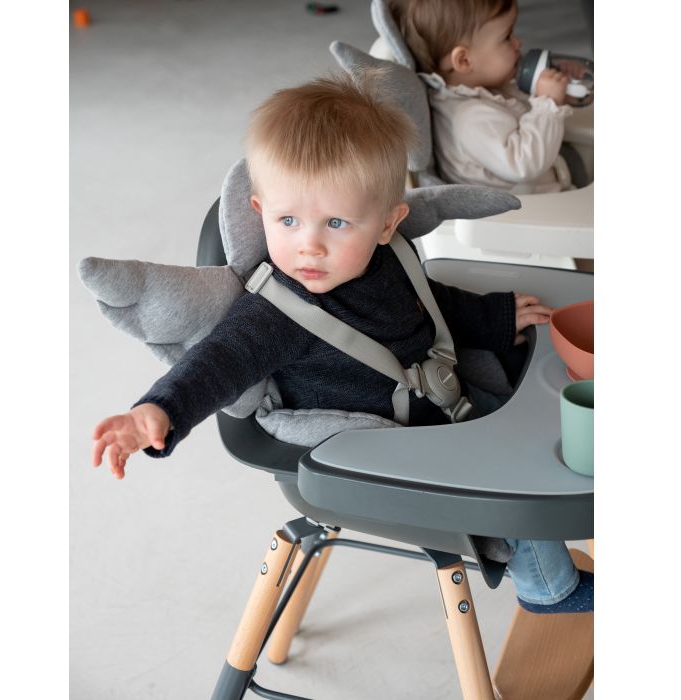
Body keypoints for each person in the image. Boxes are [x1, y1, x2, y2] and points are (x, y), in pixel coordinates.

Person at [92, 75, 592, 613]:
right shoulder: (275, 313)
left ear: (387, 224)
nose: (309, 246)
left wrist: (495, 316)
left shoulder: (389, 257)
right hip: (384, 453)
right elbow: (219, 362)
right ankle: (548, 589)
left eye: (335, 222)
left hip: (441, 404)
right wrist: (159, 410)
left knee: (551, 429)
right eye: (287, 220)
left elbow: (428, 304)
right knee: (511, 478)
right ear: (259, 210)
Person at [391, 0, 576, 193]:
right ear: (464, 60)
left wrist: (560, 86)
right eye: (507, 37)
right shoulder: (469, 119)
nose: (518, 42)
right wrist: (548, 103)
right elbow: (524, 164)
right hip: (530, 208)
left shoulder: (482, 86)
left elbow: (520, 104)